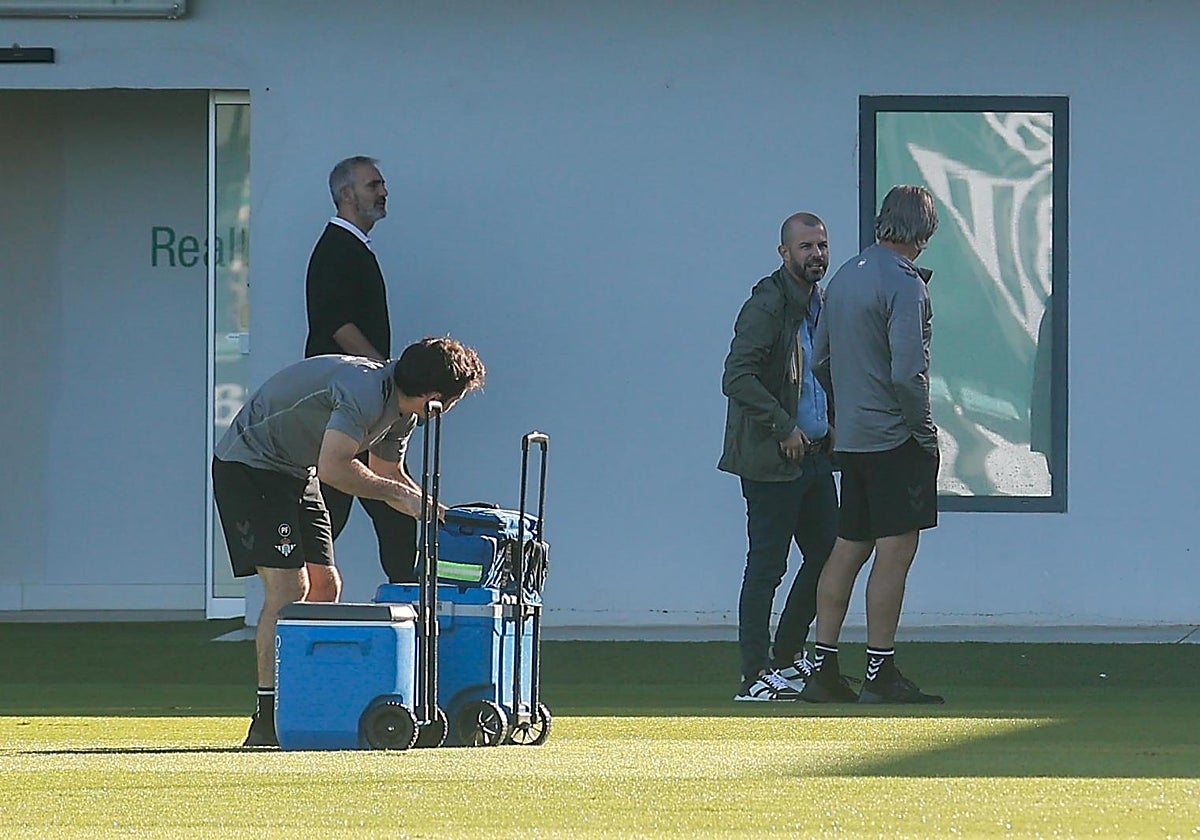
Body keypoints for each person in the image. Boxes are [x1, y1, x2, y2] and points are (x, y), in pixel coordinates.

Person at [212, 337, 486, 747]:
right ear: (433, 397)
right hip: (250, 466)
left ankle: (308, 699)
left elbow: (388, 474)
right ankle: (267, 716)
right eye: (452, 400)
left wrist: (440, 514)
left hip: (294, 471)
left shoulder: (404, 413)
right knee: (290, 588)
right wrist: (400, 496)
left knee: (326, 586)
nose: (448, 409)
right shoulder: (364, 390)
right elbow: (335, 470)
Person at [802, 185, 944, 705]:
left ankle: (823, 667)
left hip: (855, 438)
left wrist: (848, 408)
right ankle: (879, 673)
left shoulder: (845, 276)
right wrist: (923, 429)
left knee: (848, 546)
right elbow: (909, 371)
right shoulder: (906, 286)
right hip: (895, 437)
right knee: (896, 549)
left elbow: (820, 359)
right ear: (924, 231)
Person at [719, 212, 838, 702]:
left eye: (823, 246)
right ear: (784, 252)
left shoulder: (820, 304)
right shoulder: (768, 305)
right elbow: (737, 377)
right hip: (772, 459)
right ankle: (754, 675)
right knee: (767, 566)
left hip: (814, 455)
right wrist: (783, 426)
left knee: (829, 555)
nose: (817, 255)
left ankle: (786, 659)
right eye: (806, 247)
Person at [304, 155, 417, 584]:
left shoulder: (352, 248)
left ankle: (408, 596)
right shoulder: (337, 249)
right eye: (374, 185)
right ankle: (302, 600)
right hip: (348, 400)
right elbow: (336, 324)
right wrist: (386, 376)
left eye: (383, 184)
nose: (383, 192)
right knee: (336, 501)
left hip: (360, 400)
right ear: (347, 194)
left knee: (388, 506)